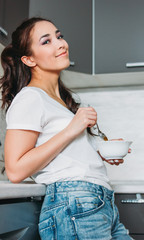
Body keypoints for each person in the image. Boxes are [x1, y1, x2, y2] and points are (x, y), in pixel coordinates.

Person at [0, 17, 133, 240]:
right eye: (46, 41)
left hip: (100, 203)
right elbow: (15, 170)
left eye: (59, 36)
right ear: (29, 59)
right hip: (74, 203)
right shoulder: (30, 98)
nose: (61, 43)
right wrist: (72, 129)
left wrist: (100, 153)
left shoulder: (61, 102)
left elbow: (63, 153)